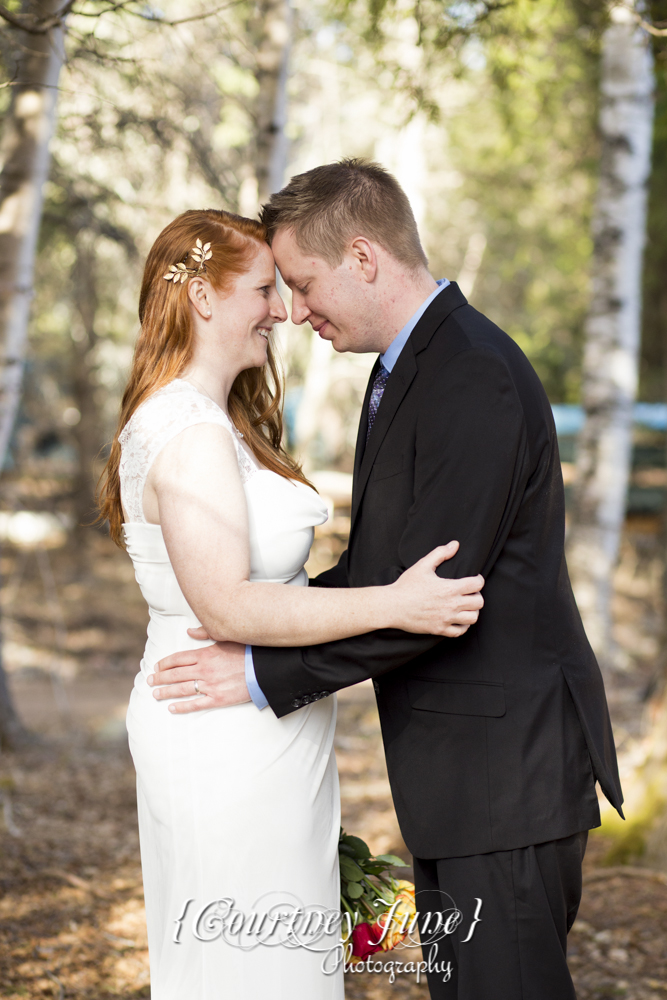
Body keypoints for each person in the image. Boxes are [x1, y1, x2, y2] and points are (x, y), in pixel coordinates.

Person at [150, 161, 625, 1000]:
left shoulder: (469, 372)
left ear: (362, 258)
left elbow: (434, 597)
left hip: (504, 774)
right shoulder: (402, 371)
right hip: (461, 778)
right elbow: (382, 580)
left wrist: (261, 671)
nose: (296, 311)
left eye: (300, 283)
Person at [97, 207, 485, 1000]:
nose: (282, 310)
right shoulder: (186, 430)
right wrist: (395, 604)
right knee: (245, 961)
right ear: (202, 299)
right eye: (264, 290)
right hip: (219, 725)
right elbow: (233, 609)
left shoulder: (222, 423)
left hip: (261, 720)